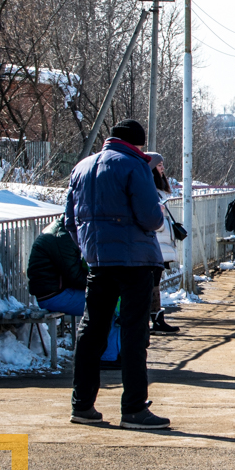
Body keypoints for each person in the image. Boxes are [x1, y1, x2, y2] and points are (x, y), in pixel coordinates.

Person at [63, 119, 170, 430]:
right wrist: (160, 213)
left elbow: (70, 221)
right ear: (137, 145)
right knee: (134, 333)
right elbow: (150, 219)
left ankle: (82, 405)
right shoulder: (134, 165)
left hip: (98, 261)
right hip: (134, 262)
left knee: (91, 331)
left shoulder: (82, 167)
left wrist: (89, 249)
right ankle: (134, 409)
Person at [146, 153, 181, 334]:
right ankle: (152, 319)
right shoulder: (148, 188)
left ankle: (156, 318)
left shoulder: (158, 189)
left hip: (161, 244)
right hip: (154, 244)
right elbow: (152, 220)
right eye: (159, 165)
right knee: (151, 283)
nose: (163, 168)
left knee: (155, 283)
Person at [27, 216, 87, 317]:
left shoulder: (63, 229)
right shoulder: (63, 237)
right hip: (54, 296)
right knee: (108, 305)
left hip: (54, 292)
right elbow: (76, 277)